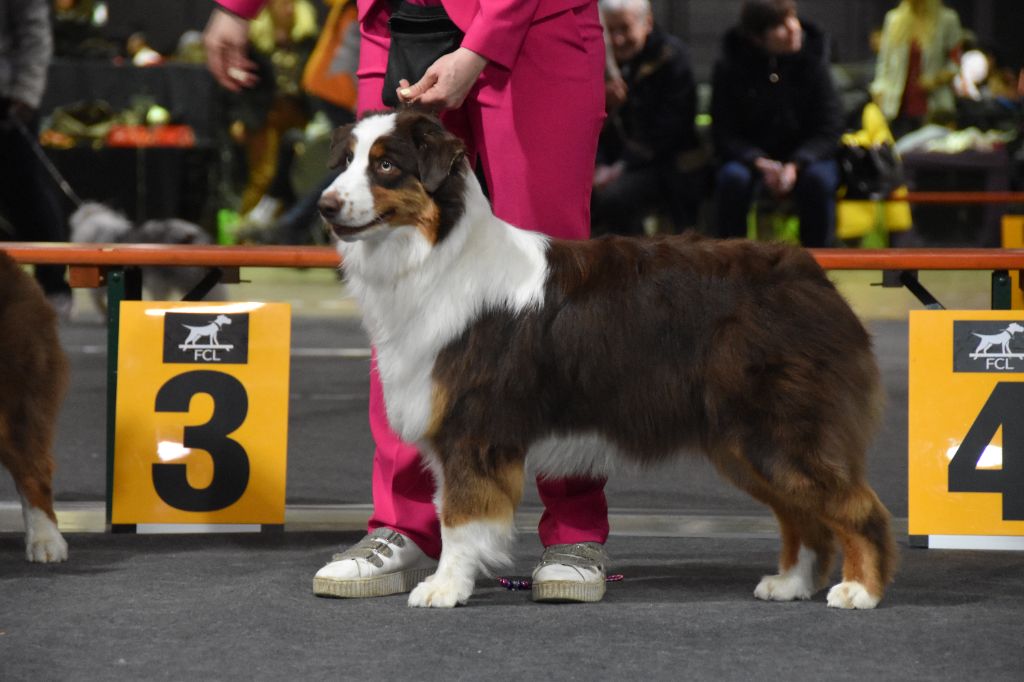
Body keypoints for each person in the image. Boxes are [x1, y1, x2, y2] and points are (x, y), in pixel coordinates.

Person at [204, 0, 612, 603]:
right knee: (391, 290)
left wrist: (480, 45)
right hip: (400, 23)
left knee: (550, 293)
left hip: (534, 31)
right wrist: (236, 7)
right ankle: (403, 524)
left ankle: (574, 530)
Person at [710, 0, 842, 248]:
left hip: (807, 157)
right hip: (751, 158)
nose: (793, 28)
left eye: (793, 17)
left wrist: (796, 164)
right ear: (757, 37)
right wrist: (757, 161)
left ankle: (818, 261)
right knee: (732, 179)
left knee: (819, 180)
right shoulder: (731, 65)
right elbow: (724, 132)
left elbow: (829, 128)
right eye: (780, 25)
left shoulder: (815, 59)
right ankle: (730, 260)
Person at [591, 0, 700, 236]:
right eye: (610, 30)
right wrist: (598, 164)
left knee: (616, 197)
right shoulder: (596, 61)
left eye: (625, 28)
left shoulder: (671, 58)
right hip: (608, 165)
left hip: (663, 165)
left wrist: (622, 165)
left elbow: (671, 128)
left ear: (647, 23)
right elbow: (586, 125)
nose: (618, 39)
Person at [0, 0, 72, 317]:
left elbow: (35, 32)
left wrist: (26, 92)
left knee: (28, 195)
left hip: (8, 100)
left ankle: (53, 286)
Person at [870, 0, 962, 139]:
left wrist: (936, 80)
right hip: (897, 106)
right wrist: (879, 88)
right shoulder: (893, 19)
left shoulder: (947, 20)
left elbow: (955, 61)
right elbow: (884, 61)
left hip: (933, 104)